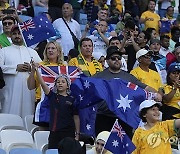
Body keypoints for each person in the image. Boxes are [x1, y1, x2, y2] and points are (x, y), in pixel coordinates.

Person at [94, 46, 161, 138]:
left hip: (124, 118)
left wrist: (156, 94)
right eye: (113, 58)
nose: (117, 60)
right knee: (103, 148)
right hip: (104, 117)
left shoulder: (128, 77)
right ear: (107, 60)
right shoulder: (98, 77)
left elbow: (144, 87)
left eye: (119, 58)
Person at [33, 62, 80, 149]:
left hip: (68, 133)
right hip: (55, 132)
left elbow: (76, 117)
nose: (60, 83)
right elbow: (42, 84)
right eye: (58, 82)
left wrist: (77, 134)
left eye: (63, 82)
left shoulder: (73, 99)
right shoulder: (52, 96)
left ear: (68, 85)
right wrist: (36, 70)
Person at [0, 25, 41, 118]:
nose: (17, 36)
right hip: (10, 90)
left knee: (27, 114)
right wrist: (15, 68)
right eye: (14, 34)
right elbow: (0, 68)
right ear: (10, 36)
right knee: (9, 114)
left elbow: (41, 68)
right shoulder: (4, 51)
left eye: (19, 33)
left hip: (28, 91)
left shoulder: (32, 52)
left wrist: (31, 68)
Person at [27, 41, 65, 129]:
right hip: (43, 103)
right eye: (48, 48)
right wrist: (33, 71)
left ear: (58, 52)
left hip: (60, 104)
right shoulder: (40, 66)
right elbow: (30, 86)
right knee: (43, 133)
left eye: (53, 48)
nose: (50, 50)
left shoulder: (64, 67)